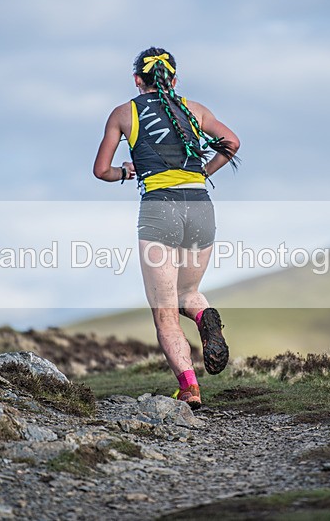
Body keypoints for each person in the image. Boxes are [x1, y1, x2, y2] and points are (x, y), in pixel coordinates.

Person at [93, 47, 240, 409]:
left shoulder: (123, 113)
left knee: (164, 310)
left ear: (137, 80)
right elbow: (232, 142)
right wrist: (203, 172)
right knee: (187, 293)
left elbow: (101, 170)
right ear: (174, 79)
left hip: (160, 207)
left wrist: (124, 172)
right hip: (200, 204)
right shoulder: (195, 109)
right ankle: (205, 318)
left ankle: (190, 388)